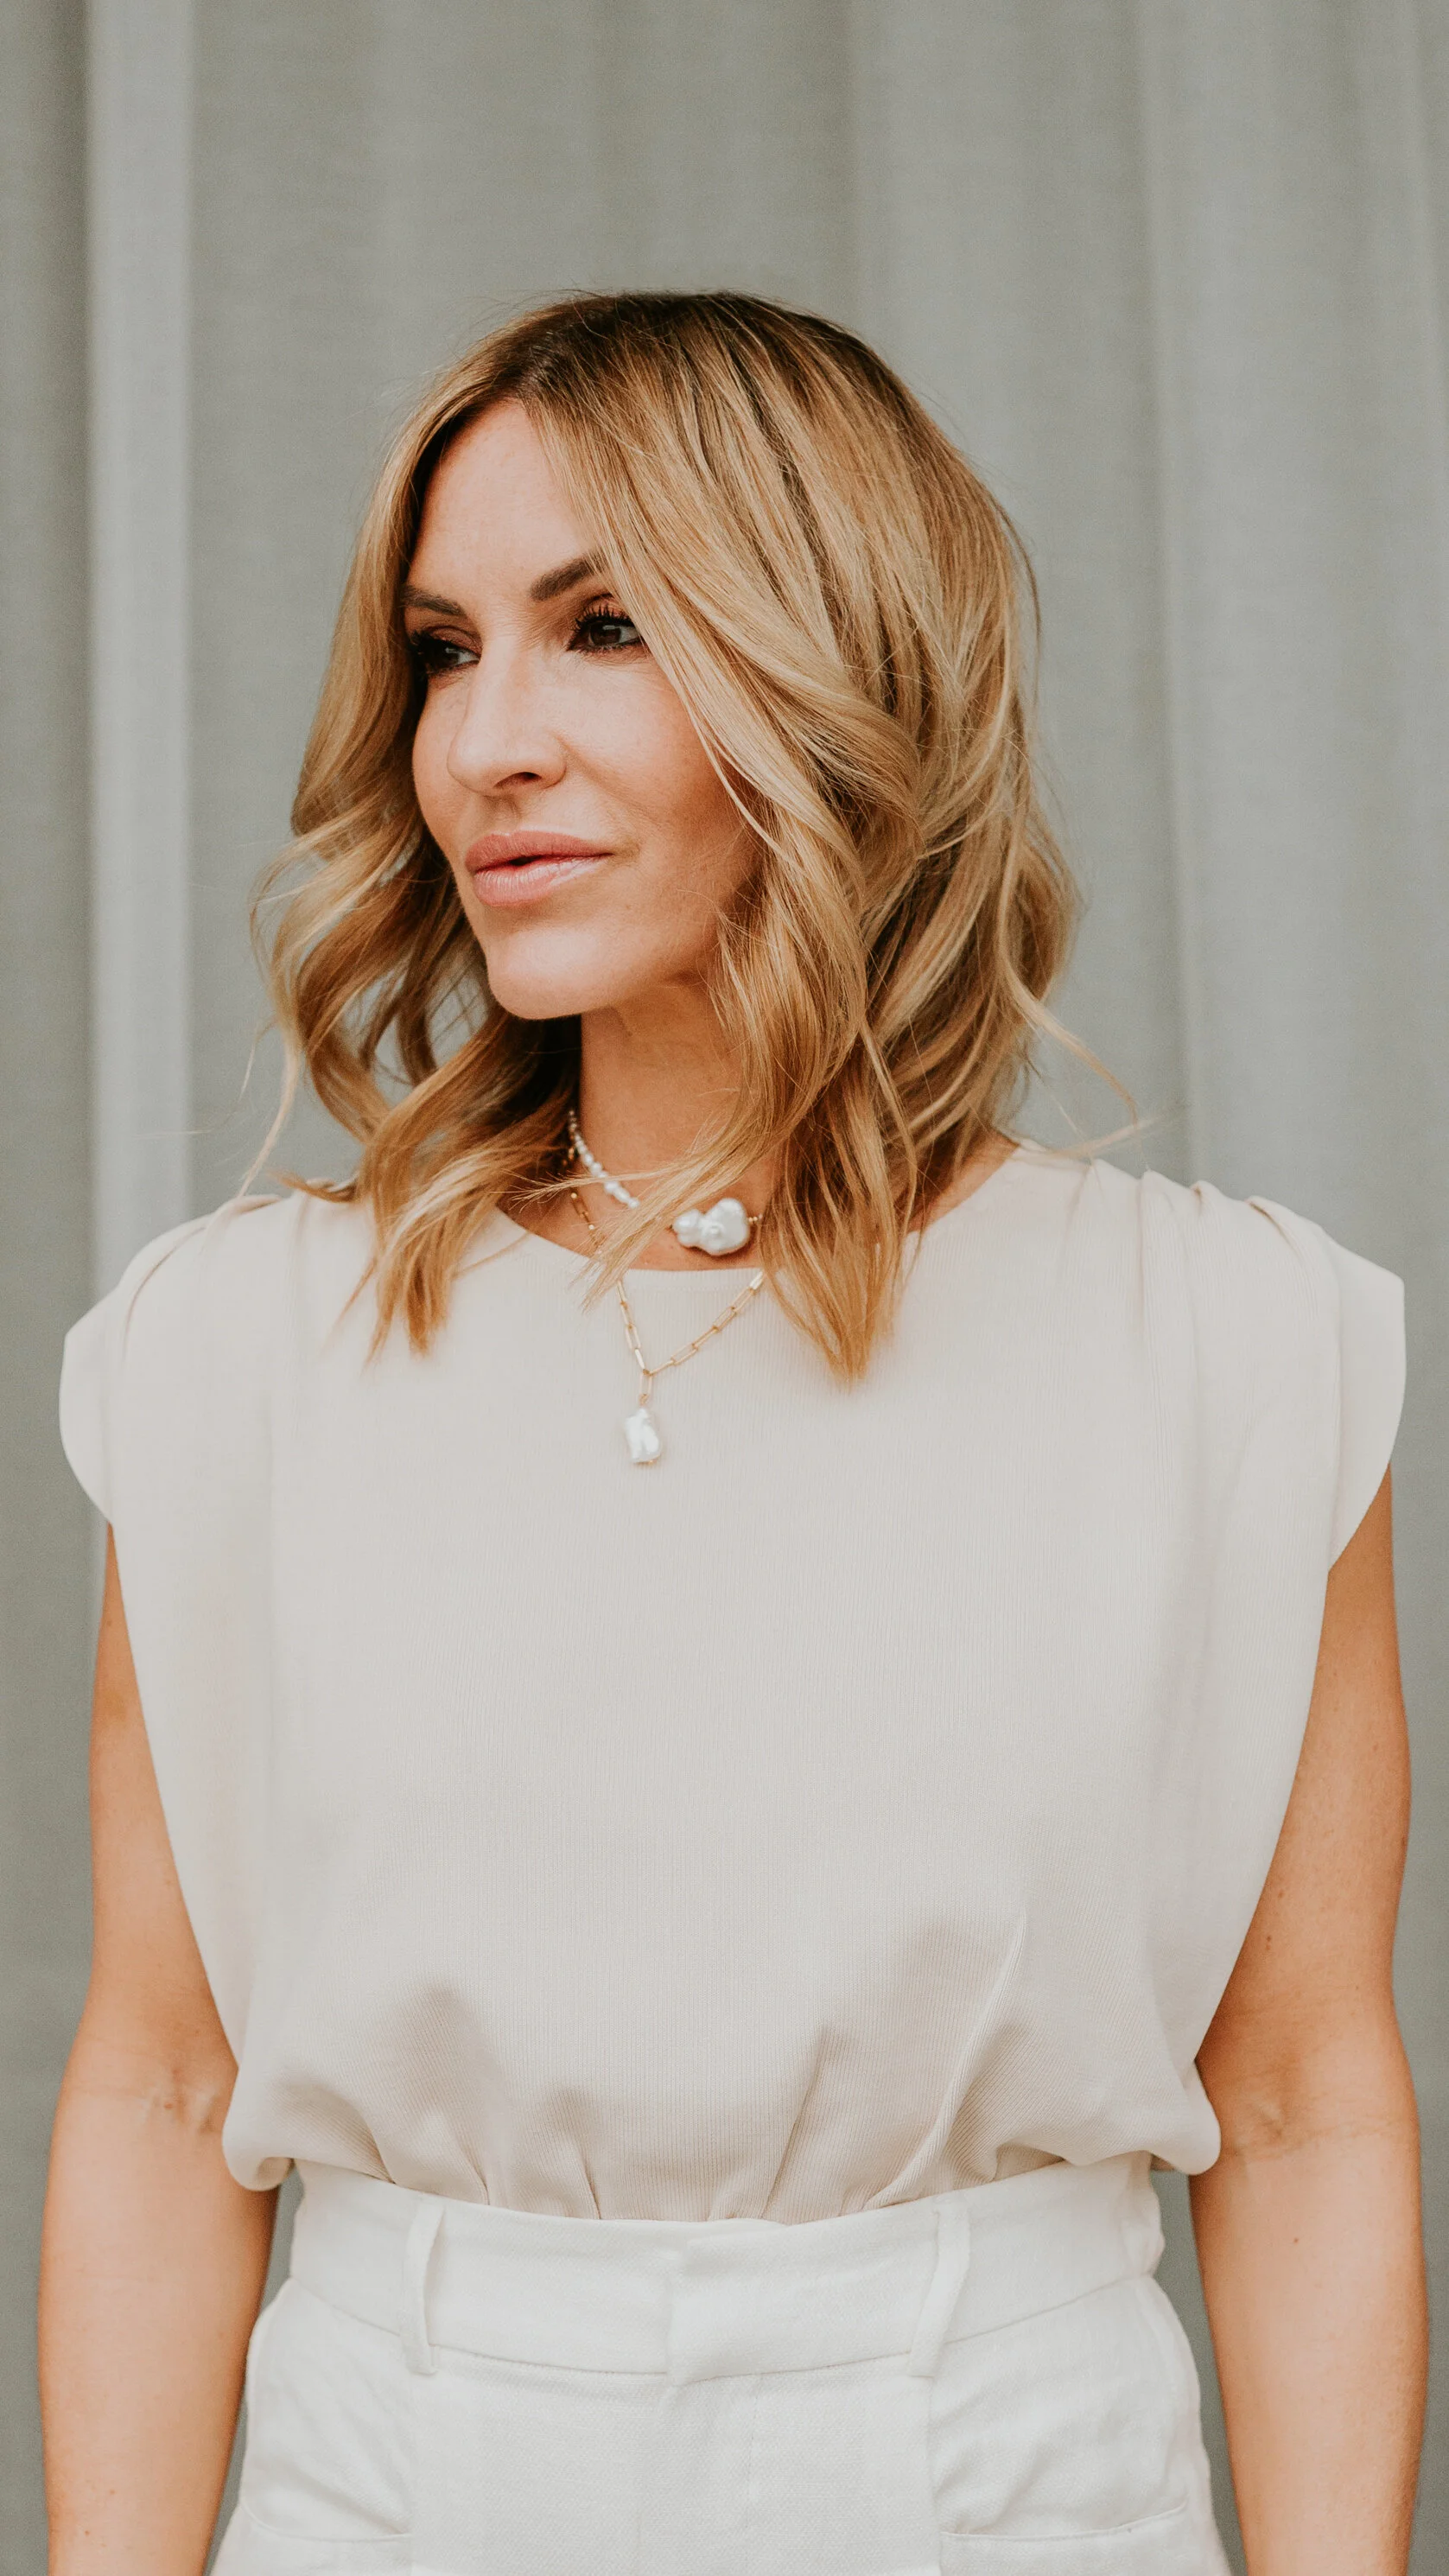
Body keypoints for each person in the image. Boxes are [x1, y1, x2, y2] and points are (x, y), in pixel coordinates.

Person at [40, 292, 1424, 2576]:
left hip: (1017, 2502)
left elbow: (1297, 2105)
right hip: (385, 2497)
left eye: (600, 629)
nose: (487, 743)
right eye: (442, 650)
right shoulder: (232, 1357)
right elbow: (163, 2082)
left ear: (840, 668)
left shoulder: (1226, 1347)